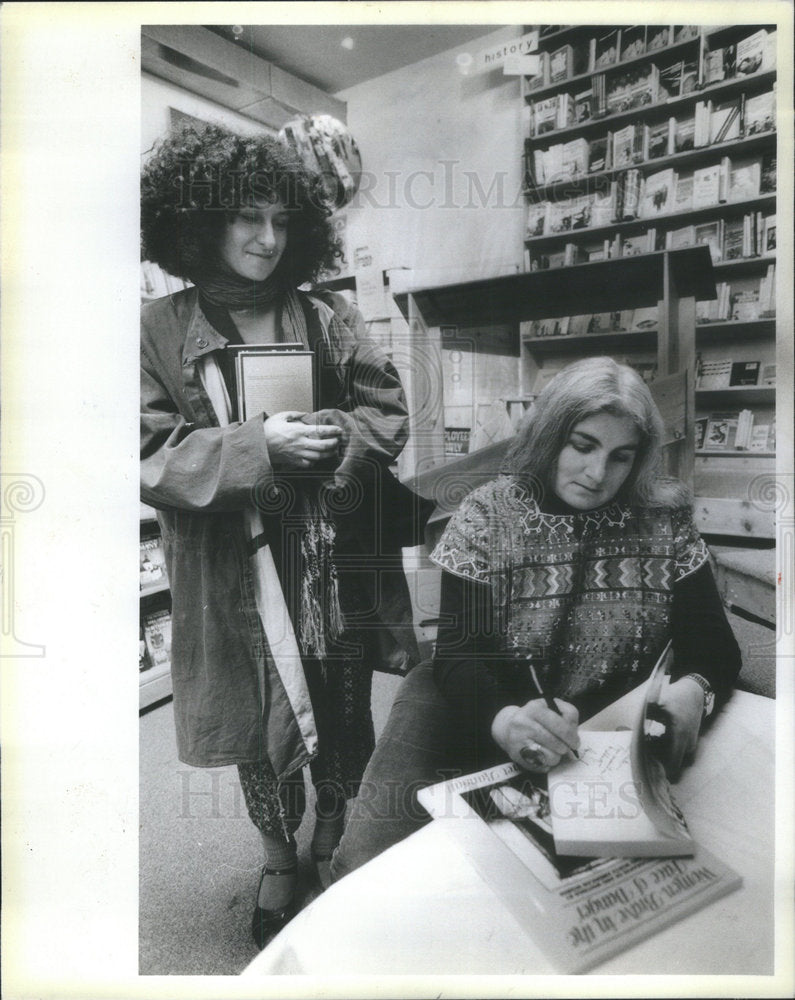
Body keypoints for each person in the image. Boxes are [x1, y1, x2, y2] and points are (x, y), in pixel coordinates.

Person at [140, 122, 426, 948]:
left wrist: (330, 437)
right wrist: (254, 446)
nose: (267, 239)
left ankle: (333, 831)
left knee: (337, 699)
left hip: (324, 555)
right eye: (245, 218)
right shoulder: (158, 329)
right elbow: (143, 451)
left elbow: (386, 416)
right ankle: (275, 851)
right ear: (198, 220)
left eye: (282, 220)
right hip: (225, 564)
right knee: (250, 716)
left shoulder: (328, 315)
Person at [330, 356, 742, 880]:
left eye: (622, 456)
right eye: (583, 445)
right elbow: (460, 653)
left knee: (574, 877)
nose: (599, 475)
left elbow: (714, 643)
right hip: (478, 699)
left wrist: (695, 689)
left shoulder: (664, 516)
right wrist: (505, 718)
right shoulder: (487, 513)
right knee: (368, 864)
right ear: (550, 435)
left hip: (601, 716)